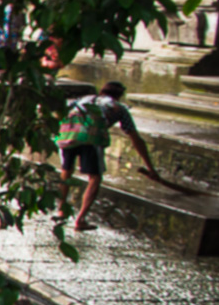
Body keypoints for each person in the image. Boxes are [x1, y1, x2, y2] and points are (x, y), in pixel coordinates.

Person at [54, 81, 161, 231]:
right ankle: (80, 220)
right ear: (119, 96)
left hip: (67, 136)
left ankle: (61, 209)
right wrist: (151, 168)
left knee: (66, 171)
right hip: (91, 138)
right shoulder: (119, 108)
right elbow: (135, 138)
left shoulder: (83, 100)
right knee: (95, 178)